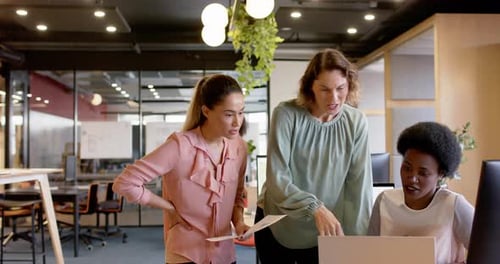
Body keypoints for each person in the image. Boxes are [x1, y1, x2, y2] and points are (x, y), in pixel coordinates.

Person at [113, 74, 250, 264]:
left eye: (241, 112)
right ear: (206, 111)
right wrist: (168, 207)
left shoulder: (239, 148)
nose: (237, 122)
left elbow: (237, 195)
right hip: (185, 254)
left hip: (224, 255)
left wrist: (240, 223)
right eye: (229, 114)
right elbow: (125, 183)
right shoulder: (180, 146)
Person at [255, 48, 373, 263]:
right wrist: (315, 207)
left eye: (341, 88)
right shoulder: (286, 114)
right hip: (278, 223)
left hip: (325, 230)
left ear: (350, 84)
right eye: (324, 89)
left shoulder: (356, 122)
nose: (334, 98)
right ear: (310, 87)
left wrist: (358, 244)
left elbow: (359, 188)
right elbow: (277, 180)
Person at [367, 121, 474, 264]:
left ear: (441, 174)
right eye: (407, 168)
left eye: (423, 173)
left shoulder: (453, 205)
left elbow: (488, 252)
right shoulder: (384, 201)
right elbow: (369, 255)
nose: (412, 178)